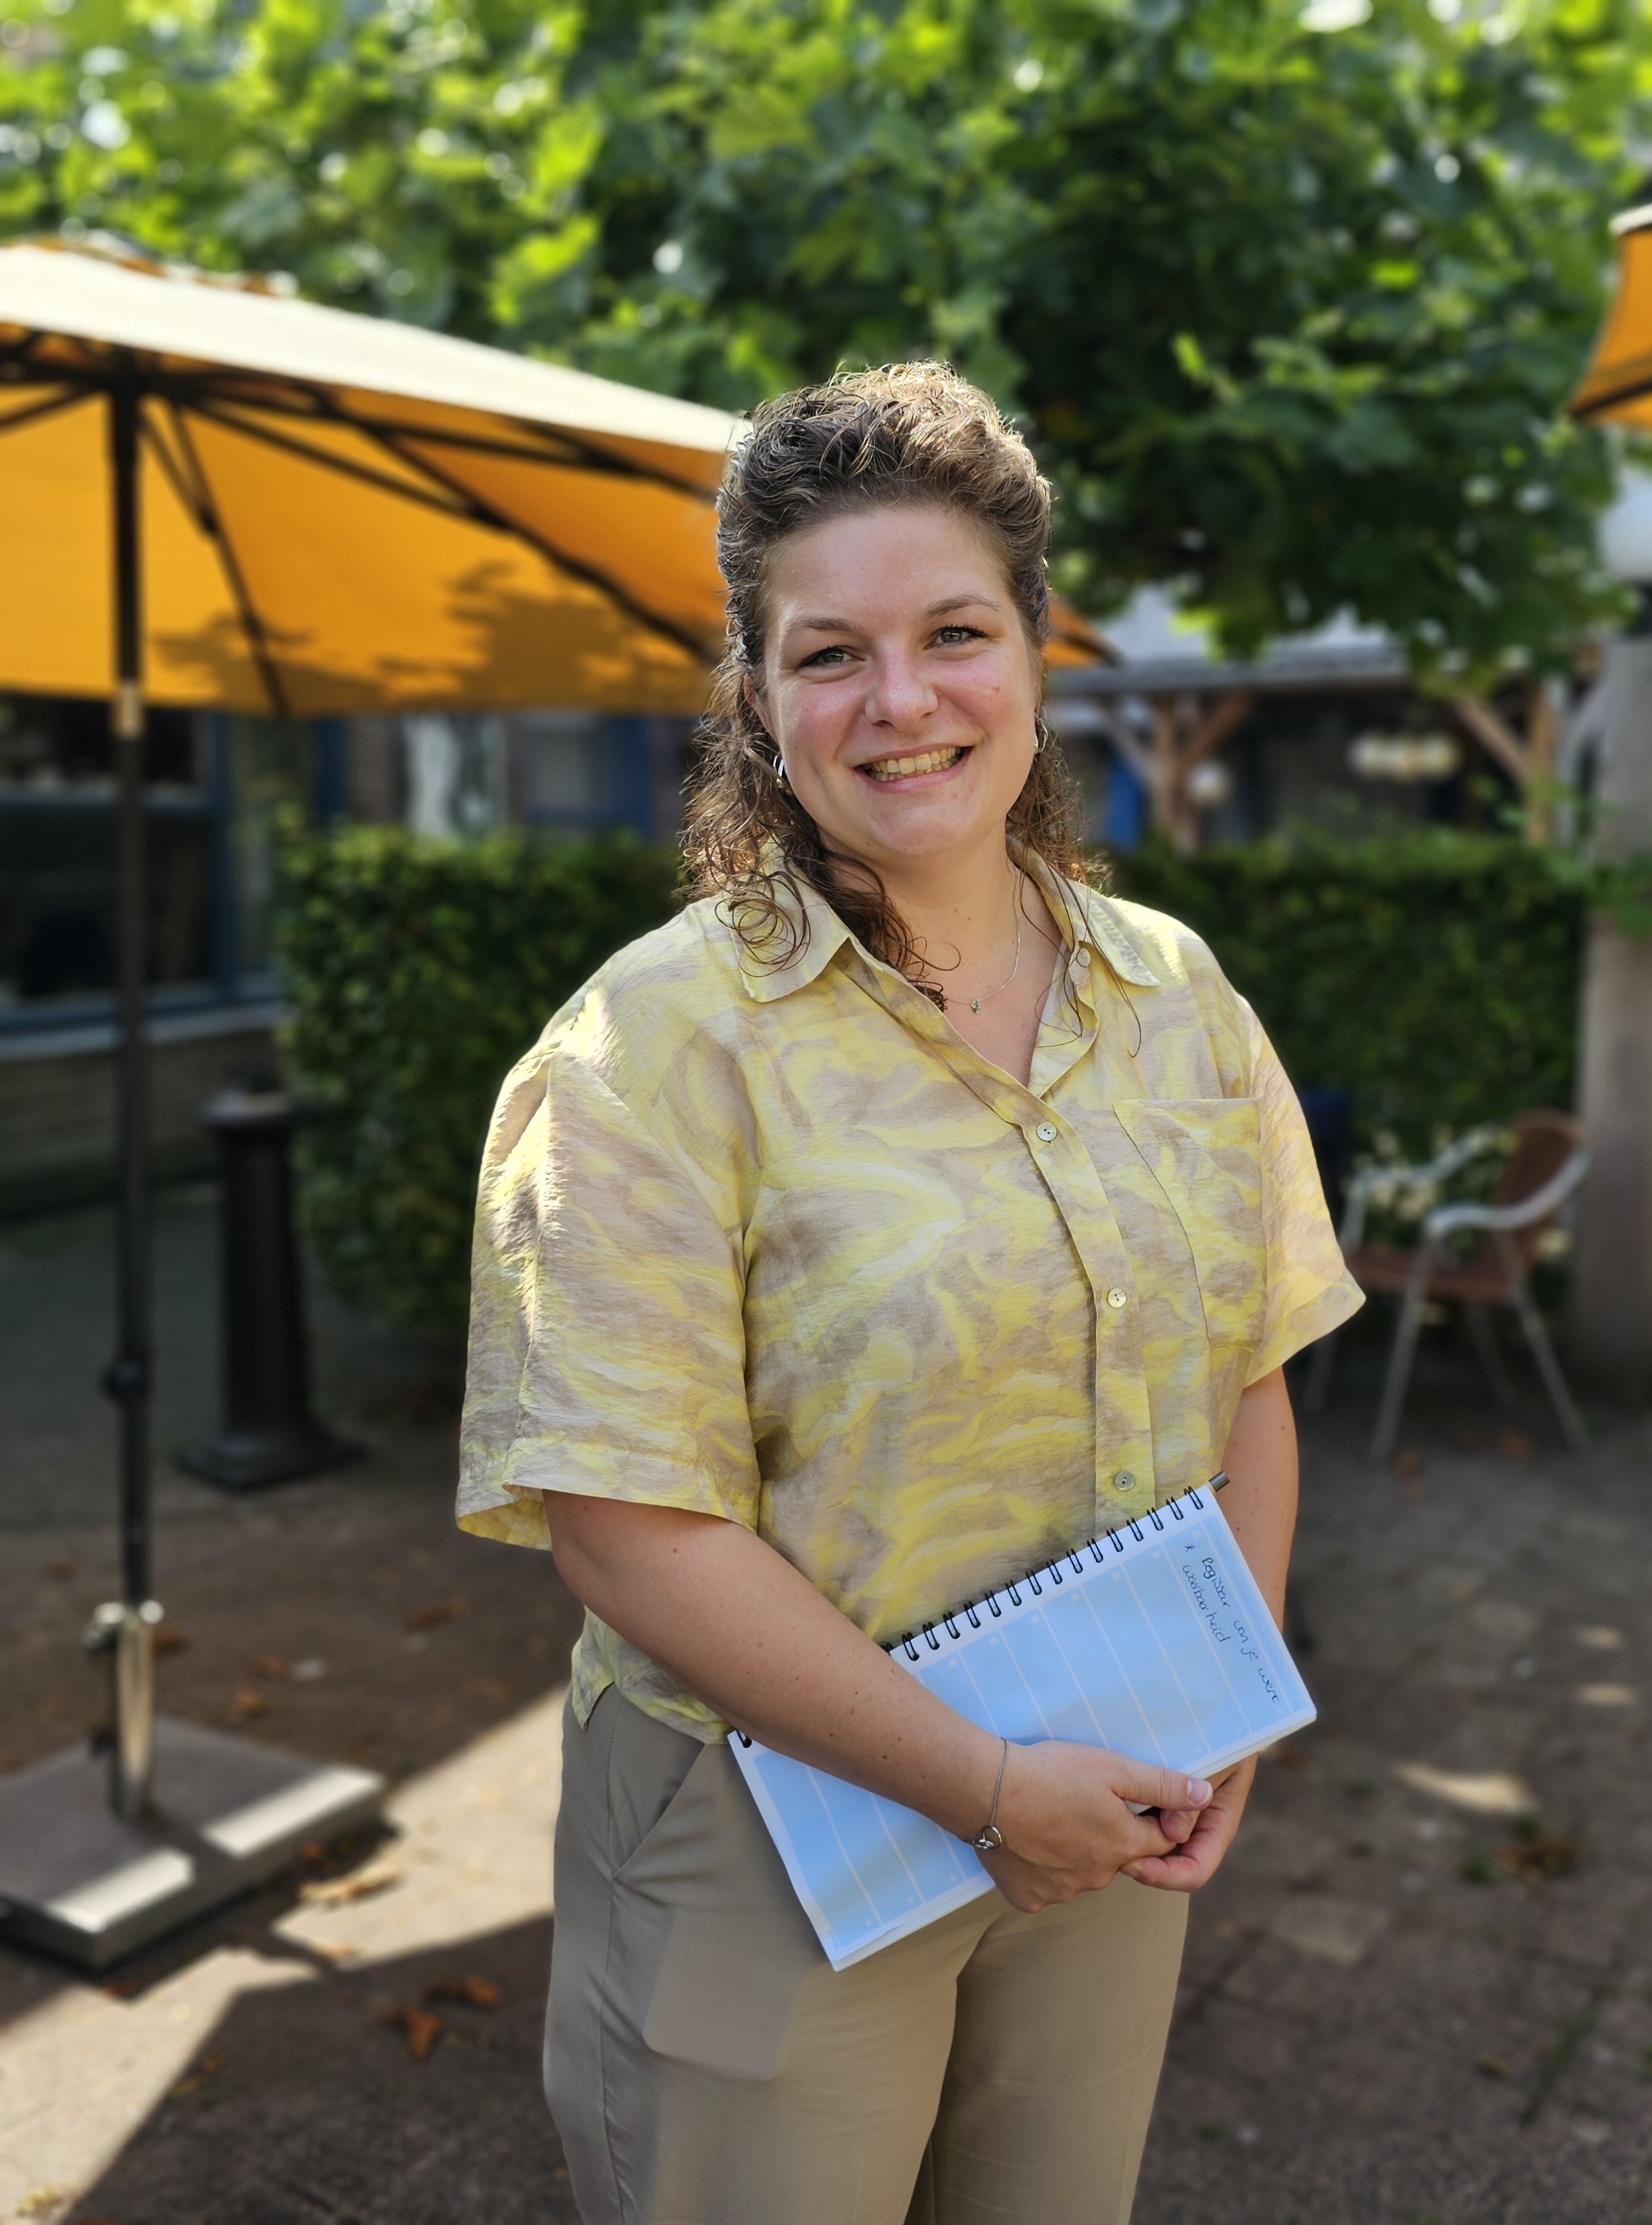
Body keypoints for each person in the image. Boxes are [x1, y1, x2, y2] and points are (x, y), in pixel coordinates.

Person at [458, 363, 1361, 2225]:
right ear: (760, 692)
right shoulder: (645, 1051)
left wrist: (1227, 1708)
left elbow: (1249, 1376)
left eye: (953, 631)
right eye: (827, 651)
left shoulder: (1175, 993)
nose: (900, 701)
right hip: (764, 1830)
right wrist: (973, 1780)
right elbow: (631, 1530)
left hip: (1108, 1783)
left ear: (1034, 650)